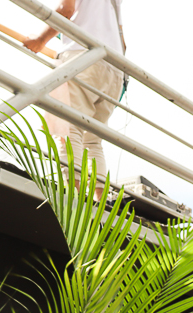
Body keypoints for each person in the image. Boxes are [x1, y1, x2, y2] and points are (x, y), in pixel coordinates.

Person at [23, 0, 125, 193]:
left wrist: (40, 39)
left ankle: (75, 199)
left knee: (68, 127)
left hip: (84, 56)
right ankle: (99, 203)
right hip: (114, 68)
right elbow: (122, 40)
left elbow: (66, 9)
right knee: (93, 141)